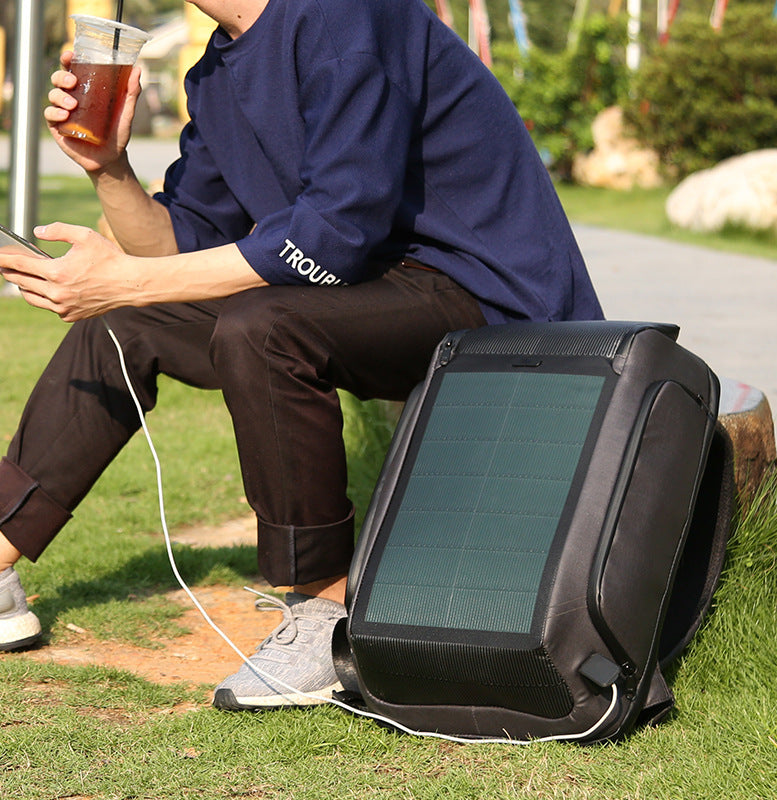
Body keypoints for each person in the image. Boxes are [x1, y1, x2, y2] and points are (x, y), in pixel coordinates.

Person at [0, 0, 603, 709]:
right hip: (374, 294)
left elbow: (331, 238)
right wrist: (107, 168)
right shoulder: (219, 70)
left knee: (262, 324)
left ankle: (325, 612)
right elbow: (182, 244)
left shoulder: (349, 16)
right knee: (126, 322)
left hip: (495, 301)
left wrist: (126, 281)